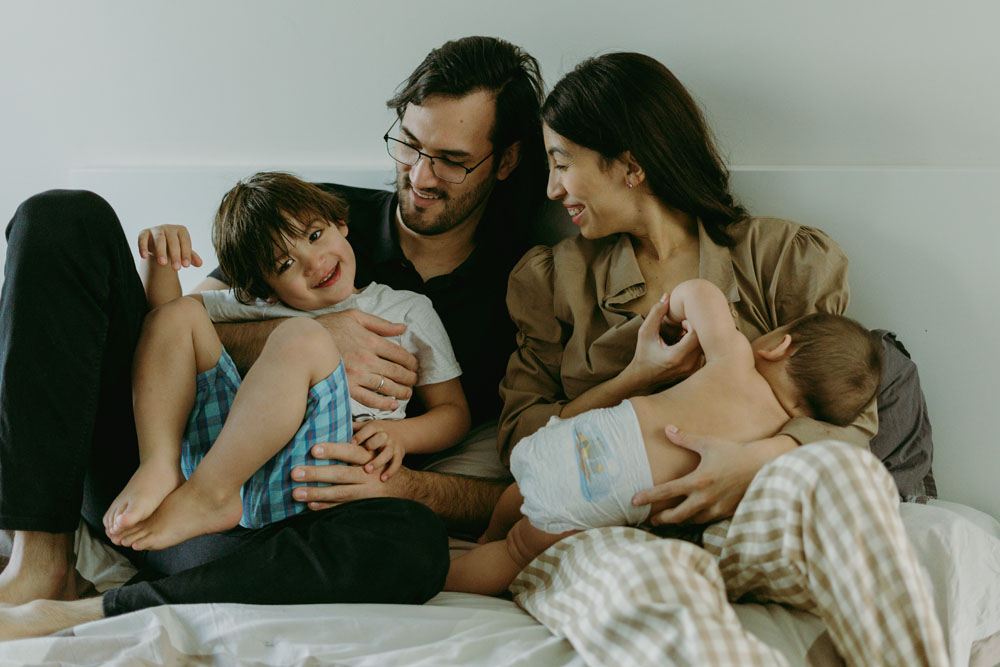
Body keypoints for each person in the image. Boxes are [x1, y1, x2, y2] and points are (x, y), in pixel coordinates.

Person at [0, 35, 545, 639]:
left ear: (506, 160)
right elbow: (181, 323)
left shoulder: (523, 288)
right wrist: (310, 338)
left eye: (451, 158)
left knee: (414, 545)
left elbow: (514, 485)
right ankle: (42, 563)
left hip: (291, 517)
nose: (419, 174)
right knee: (60, 215)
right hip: (159, 474)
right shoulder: (310, 218)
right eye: (409, 144)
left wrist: (402, 480)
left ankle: (108, 609)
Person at [498, 52, 948, 664]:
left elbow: (851, 419)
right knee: (654, 589)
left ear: (629, 165)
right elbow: (523, 444)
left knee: (850, 476)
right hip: (610, 528)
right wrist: (636, 377)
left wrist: (756, 459)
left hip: (756, 514)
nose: (551, 190)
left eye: (561, 163)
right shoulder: (554, 281)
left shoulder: (779, 258)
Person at [105, 172, 470, 551]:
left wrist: (401, 435)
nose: (315, 262)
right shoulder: (260, 307)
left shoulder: (407, 310)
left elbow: (453, 413)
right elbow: (166, 328)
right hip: (235, 470)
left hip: (321, 472)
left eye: (314, 236)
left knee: (303, 337)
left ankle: (208, 495)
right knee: (177, 316)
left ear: (340, 224)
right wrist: (161, 258)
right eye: (284, 265)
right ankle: (160, 466)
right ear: (262, 290)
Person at [446, 279, 883, 594]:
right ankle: (453, 578)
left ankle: (486, 534)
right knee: (520, 553)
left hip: (584, 436)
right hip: (612, 495)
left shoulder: (734, 363)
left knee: (522, 489)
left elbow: (700, 291)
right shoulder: (769, 445)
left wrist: (676, 312)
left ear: (779, 346)